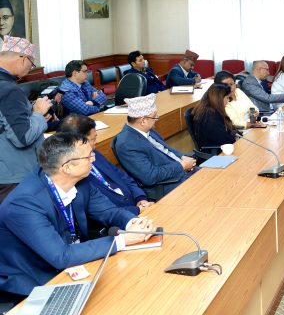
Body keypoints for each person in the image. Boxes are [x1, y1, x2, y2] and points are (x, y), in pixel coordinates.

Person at [0, 133, 154, 297]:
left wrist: (133, 224)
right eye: (88, 156)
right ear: (67, 168)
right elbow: (60, 256)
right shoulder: (23, 204)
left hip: (74, 260)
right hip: (36, 278)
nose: (94, 159)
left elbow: (109, 211)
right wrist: (122, 240)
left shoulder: (80, 181)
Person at [58, 114, 152, 216]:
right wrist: (137, 210)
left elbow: (123, 176)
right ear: (77, 143)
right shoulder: (73, 174)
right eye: (92, 139)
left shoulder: (94, 153)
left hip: (137, 207)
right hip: (120, 218)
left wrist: (140, 198)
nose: (96, 142)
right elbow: (99, 213)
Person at [114, 94, 196, 200]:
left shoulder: (148, 130)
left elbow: (167, 149)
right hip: (168, 185)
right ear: (143, 121)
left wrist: (182, 157)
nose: (157, 119)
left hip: (180, 172)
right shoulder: (126, 144)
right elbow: (150, 176)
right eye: (154, 116)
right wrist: (182, 165)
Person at [0, 36, 51, 201]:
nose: (30, 69)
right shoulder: (8, 89)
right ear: (23, 58)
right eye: (32, 64)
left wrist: (32, 114)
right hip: (13, 174)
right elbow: (22, 138)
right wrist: (38, 113)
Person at [190, 83, 237, 148]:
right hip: (218, 151)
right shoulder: (209, 117)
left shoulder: (210, 109)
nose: (228, 100)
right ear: (219, 99)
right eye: (227, 98)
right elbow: (224, 140)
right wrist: (237, 140)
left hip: (222, 146)